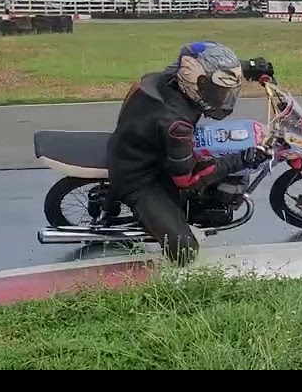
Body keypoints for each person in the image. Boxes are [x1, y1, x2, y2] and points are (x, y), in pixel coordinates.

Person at [106, 41, 275, 264]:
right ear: (198, 85)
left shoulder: (173, 79)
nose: (222, 97)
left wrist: (250, 66)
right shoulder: (176, 124)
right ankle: (147, 220)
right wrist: (242, 159)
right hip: (140, 177)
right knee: (185, 253)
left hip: (141, 145)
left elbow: (203, 66)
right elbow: (187, 178)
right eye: (217, 91)